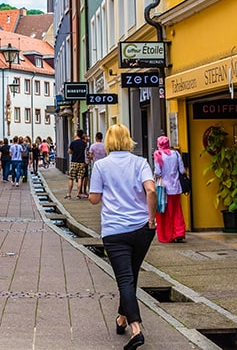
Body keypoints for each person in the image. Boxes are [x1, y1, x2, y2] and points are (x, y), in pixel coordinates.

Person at [88, 124, 157, 350]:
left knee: (125, 279)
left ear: (108, 141)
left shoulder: (101, 166)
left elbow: (94, 199)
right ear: (128, 140)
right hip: (141, 229)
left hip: (115, 231)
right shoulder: (140, 162)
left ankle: (136, 329)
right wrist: (152, 219)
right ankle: (122, 318)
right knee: (131, 275)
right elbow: (151, 190)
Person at [152, 135, 187, 243]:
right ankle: (179, 232)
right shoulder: (176, 154)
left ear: (159, 144)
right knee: (177, 211)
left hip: (163, 188)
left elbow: (157, 172)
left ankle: (167, 235)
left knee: (164, 212)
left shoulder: (158, 154)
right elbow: (182, 170)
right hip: (176, 187)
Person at [67, 130, 88, 200]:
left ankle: (69, 194)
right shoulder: (84, 143)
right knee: (80, 178)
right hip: (81, 162)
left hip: (74, 162)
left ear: (77, 134)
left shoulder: (73, 143)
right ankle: (78, 194)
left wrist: (73, 151)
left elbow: (69, 151)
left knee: (71, 178)